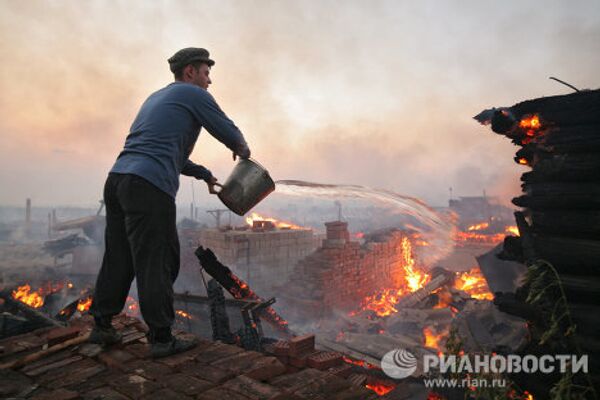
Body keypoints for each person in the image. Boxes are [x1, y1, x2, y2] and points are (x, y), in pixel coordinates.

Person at [89, 48, 250, 358]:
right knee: (157, 259)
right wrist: (243, 150)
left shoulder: (156, 98)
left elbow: (162, 149)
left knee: (119, 255)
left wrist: (201, 172)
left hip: (119, 179)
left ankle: (102, 325)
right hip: (149, 187)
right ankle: (162, 338)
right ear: (190, 72)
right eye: (205, 72)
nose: (209, 80)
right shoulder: (193, 94)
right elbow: (227, 129)